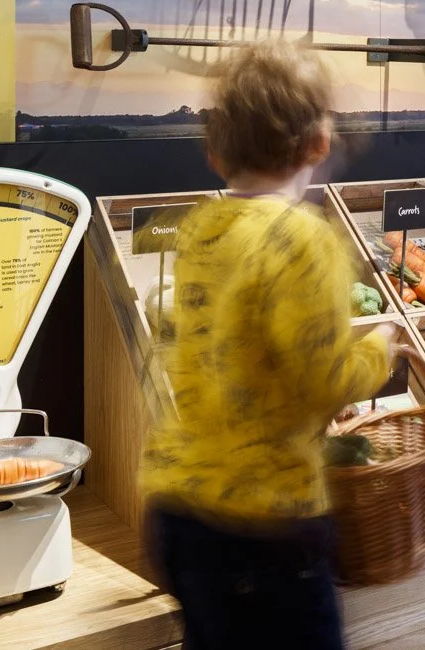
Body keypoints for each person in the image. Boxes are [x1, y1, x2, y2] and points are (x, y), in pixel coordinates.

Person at [140, 40, 396, 650]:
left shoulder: (201, 225)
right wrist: (380, 349)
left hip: (179, 508)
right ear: (318, 144)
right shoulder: (302, 239)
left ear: (213, 150)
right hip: (268, 524)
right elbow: (325, 378)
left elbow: (232, 344)